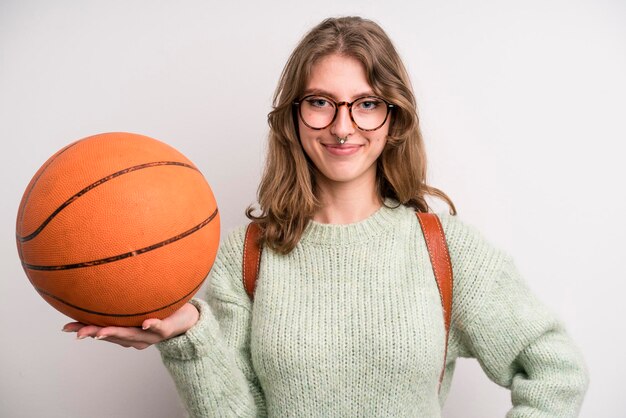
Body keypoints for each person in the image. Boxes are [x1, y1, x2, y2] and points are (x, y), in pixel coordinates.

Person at [63, 16, 589, 417]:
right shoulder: (243, 256)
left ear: (394, 118)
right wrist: (189, 338)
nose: (342, 127)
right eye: (320, 102)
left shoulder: (446, 252)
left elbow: (556, 371)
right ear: (293, 117)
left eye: (366, 103)